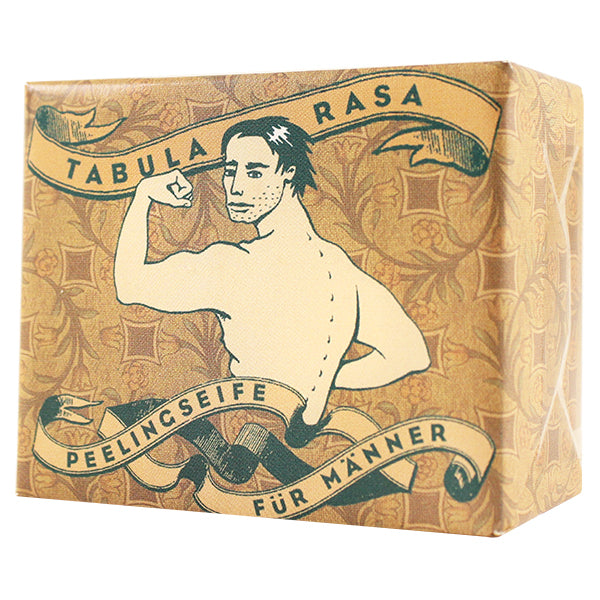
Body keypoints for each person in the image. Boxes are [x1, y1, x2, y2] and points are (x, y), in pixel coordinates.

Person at [114, 116, 430, 484]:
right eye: (230, 170)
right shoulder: (340, 268)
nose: (235, 186)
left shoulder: (235, 267)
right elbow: (410, 353)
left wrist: (144, 196)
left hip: (246, 461)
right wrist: (321, 378)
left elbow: (130, 285)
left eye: (254, 172)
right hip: (309, 460)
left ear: (288, 173)